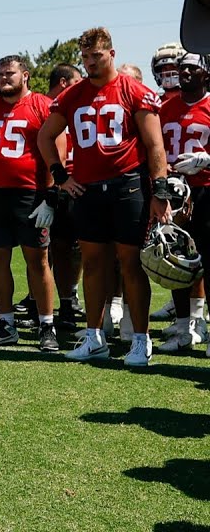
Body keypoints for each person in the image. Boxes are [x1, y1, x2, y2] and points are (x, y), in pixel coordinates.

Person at [36, 27, 171, 367]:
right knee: (94, 263)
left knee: (130, 263)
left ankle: (141, 339)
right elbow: (45, 136)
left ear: (112, 53)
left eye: (96, 56)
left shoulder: (133, 90)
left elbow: (155, 146)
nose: (90, 63)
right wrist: (61, 176)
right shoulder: (72, 94)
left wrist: (160, 192)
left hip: (128, 185)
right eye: (84, 57)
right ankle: (94, 336)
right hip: (89, 189)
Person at [0, 56, 60, 352]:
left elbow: (58, 153)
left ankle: (46, 325)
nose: (5, 78)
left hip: (30, 194)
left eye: (11, 73)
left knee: (38, 260)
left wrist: (51, 196)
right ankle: (6, 324)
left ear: (25, 75)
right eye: (1, 74)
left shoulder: (43, 106)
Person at [157, 50, 210, 352]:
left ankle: (202, 323)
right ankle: (183, 327)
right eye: (182, 68)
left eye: (192, 68)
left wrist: (208, 160)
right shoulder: (166, 108)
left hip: (206, 189)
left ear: (206, 73)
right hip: (176, 190)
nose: (185, 72)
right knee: (175, 259)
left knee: (209, 259)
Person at [46, 63, 84, 328]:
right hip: (55, 183)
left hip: (80, 183)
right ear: (63, 83)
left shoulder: (81, 103)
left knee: (80, 247)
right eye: (76, 80)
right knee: (51, 248)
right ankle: (58, 301)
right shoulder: (44, 107)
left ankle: (71, 298)